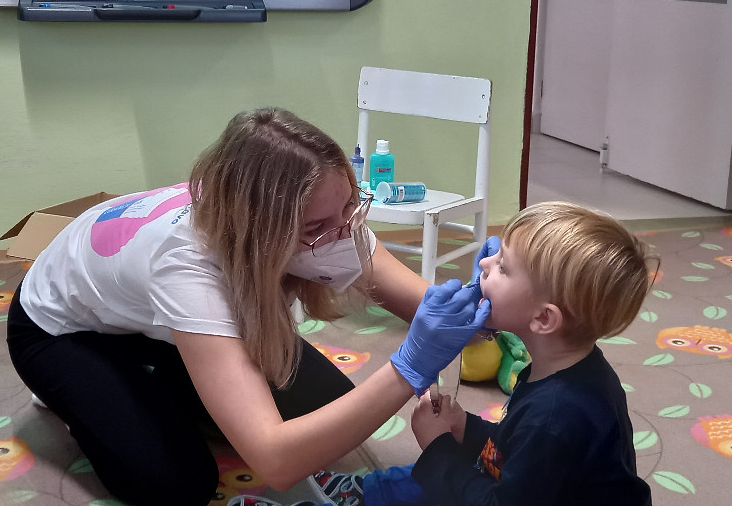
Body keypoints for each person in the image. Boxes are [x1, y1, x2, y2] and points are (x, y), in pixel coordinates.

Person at [6, 107, 493, 506]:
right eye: (316, 228)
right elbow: (276, 463)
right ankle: (86, 395)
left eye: (350, 206)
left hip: (150, 317)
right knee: (177, 484)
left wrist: (487, 296)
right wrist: (408, 366)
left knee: (327, 410)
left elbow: (428, 305)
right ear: (260, 231)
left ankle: (169, 382)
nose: (346, 232)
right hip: (60, 329)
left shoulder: (325, 211)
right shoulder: (187, 267)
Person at [236, 201, 659, 506]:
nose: (486, 264)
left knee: (443, 475)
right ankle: (367, 494)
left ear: (544, 319)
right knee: (434, 476)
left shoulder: (555, 416)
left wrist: (437, 446)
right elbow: (515, 451)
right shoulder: (571, 370)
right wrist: (465, 428)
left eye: (503, 267)